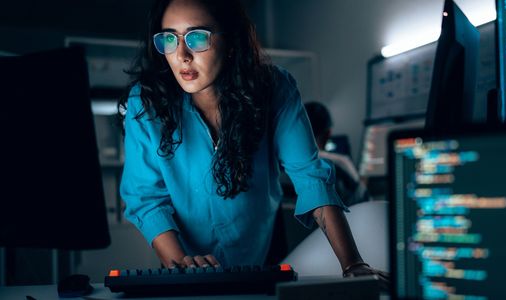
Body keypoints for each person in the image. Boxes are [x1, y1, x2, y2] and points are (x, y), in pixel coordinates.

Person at [118, 0, 389, 282]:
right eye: (169, 38)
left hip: (263, 252)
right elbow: (146, 199)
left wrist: (353, 264)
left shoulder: (275, 88)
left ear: (232, 40)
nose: (182, 55)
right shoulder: (145, 102)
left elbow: (310, 177)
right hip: (183, 261)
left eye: (197, 37)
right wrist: (184, 267)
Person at [303, 102, 370, 206]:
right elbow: (364, 199)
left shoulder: (282, 165)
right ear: (329, 133)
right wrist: (363, 181)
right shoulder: (340, 163)